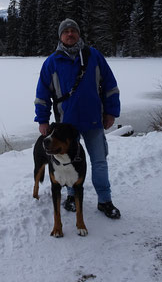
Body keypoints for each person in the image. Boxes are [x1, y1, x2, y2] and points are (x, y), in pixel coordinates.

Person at [34, 18, 121, 219]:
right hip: (67, 125)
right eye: (66, 31)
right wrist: (43, 120)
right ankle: (72, 196)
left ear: (79, 34)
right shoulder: (51, 62)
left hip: (93, 120)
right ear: (60, 36)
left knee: (99, 161)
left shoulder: (94, 56)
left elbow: (110, 85)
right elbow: (42, 95)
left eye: (73, 30)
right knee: (68, 163)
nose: (70, 34)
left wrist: (110, 112)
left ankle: (105, 200)